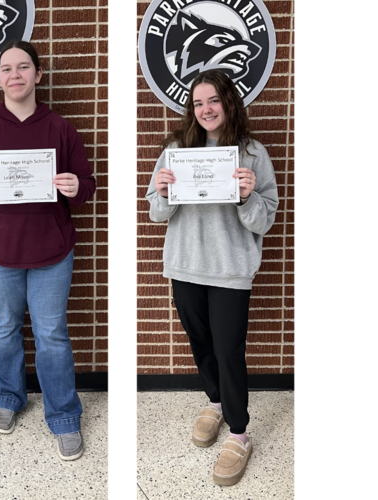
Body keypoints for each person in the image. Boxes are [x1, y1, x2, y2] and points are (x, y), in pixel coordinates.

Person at [0, 40, 96, 461]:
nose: (15, 75)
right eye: (7, 69)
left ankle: (64, 416)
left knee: (52, 334)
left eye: (23, 67)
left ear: (38, 74)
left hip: (52, 251)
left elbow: (86, 185)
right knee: (4, 326)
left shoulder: (61, 128)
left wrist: (75, 187)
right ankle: (7, 397)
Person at [145, 69, 279, 486]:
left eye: (214, 100)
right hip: (185, 265)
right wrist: (162, 193)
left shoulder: (253, 154)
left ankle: (238, 433)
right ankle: (216, 402)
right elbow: (155, 212)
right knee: (200, 342)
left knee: (228, 350)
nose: (206, 109)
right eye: (198, 102)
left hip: (229, 269)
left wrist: (248, 196)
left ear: (229, 102)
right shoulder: (176, 150)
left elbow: (265, 220)